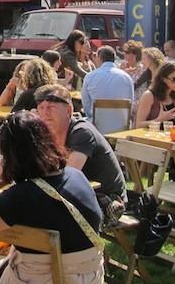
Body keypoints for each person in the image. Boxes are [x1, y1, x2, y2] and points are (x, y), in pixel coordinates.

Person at [0, 110, 103, 284]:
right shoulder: (77, 177)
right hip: (88, 278)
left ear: (10, 157)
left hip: (42, 279)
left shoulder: (22, 197)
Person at [34, 84, 126, 228]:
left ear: (69, 110)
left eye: (51, 107)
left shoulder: (82, 132)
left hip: (106, 199)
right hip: (80, 193)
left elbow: (69, 176)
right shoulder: (47, 132)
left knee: (43, 213)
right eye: (41, 108)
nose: (45, 113)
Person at [81, 46, 134, 120]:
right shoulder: (127, 78)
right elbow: (130, 105)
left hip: (96, 126)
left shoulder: (89, 77)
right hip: (122, 125)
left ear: (99, 58)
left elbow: (86, 106)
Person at [135, 62, 175, 130]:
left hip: (170, 138)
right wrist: (160, 120)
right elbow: (138, 125)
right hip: (151, 137)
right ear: (163, 79)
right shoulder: (149, 96)